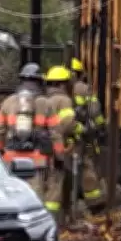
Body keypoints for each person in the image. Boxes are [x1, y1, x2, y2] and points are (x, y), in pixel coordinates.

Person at [0, 63, 51, 197]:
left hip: (11, 159)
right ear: (40, 81)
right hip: (36, 161)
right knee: (34, 197)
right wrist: (57, 155)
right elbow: (55, 132)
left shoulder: (8, 102)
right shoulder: (45, 103)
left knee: (12, 195)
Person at [43, 65, 84, 223]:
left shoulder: (43, 99)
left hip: (43, 147)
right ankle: (56, 221)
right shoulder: (64, 100)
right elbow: (67, 123)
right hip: (61, 146)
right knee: (58, 183)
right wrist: (80, 129)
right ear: (62, 84)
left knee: (46, 183)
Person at [69, 58, 107, 213]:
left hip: (63, 136)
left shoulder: (57, 90)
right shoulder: (84, 89)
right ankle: (94, 202)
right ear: (80, 73)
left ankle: (69, 200)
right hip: (83, 135)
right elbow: (94, 111)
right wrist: (100, 127)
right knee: (87, 166)